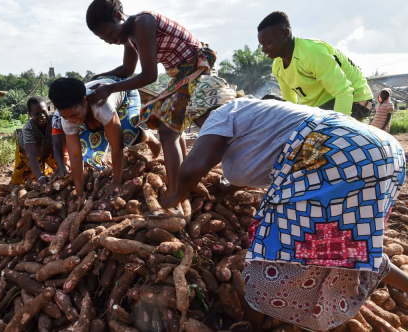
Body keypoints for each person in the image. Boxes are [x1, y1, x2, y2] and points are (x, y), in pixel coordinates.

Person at [162, 76, 407, 332]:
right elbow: (260, 164)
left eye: (198, 121)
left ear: (205, 112)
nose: (200, 128)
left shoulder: (223, 113)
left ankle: (250, 326)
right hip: (381, 153)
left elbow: (192, 168)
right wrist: (225, 187)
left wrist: (174, 197)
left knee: (271, 248)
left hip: (331, 157)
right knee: (350, 243)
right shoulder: (258, 115)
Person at [85, 0, 216, 209]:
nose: (109, 40)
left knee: (167, 131)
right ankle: (181, 183)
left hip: (196, 69)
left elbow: (149, 75)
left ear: (119, 17)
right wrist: (100, 77)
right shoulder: (129, 37)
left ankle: (175, 196)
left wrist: (109, 89)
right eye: (104, 38)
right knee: (171, 126)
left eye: (109, 33)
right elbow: (128, 70)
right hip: (180, 75)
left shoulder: (142, 24)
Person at [48, 77, 160, 198]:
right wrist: (80, 193)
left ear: (84, 100)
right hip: (96, 115)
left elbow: (117, 147)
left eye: (75, 114)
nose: (72, 120)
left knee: (125, 136)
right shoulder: (67, 117)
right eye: (66, 117)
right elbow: (75, 156)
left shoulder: (101, 105)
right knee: (87, 153)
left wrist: (116, 182)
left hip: (125, 94)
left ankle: (147, 136)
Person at [257, 11, 374, 121]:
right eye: (262, 44)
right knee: (271, 102)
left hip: (354, 101)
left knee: (321, 137)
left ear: (285, 34)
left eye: (268, 43)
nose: (263, 49)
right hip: (321, 109)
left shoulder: (313, 53)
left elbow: (344, 92)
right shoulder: (277, 67)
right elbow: (290, 104)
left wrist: (337, 130)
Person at [10, 96, 60, 185]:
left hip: (46, 145)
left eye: (44, 111)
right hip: (27, 149)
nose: (42, 116)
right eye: (37, 113)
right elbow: (31, 156)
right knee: (22, 178)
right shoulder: (28, 128)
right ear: (30, 114)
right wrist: (40, 176)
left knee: (59, 165)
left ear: (48, 109)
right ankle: (12, 191)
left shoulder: (53, 120)